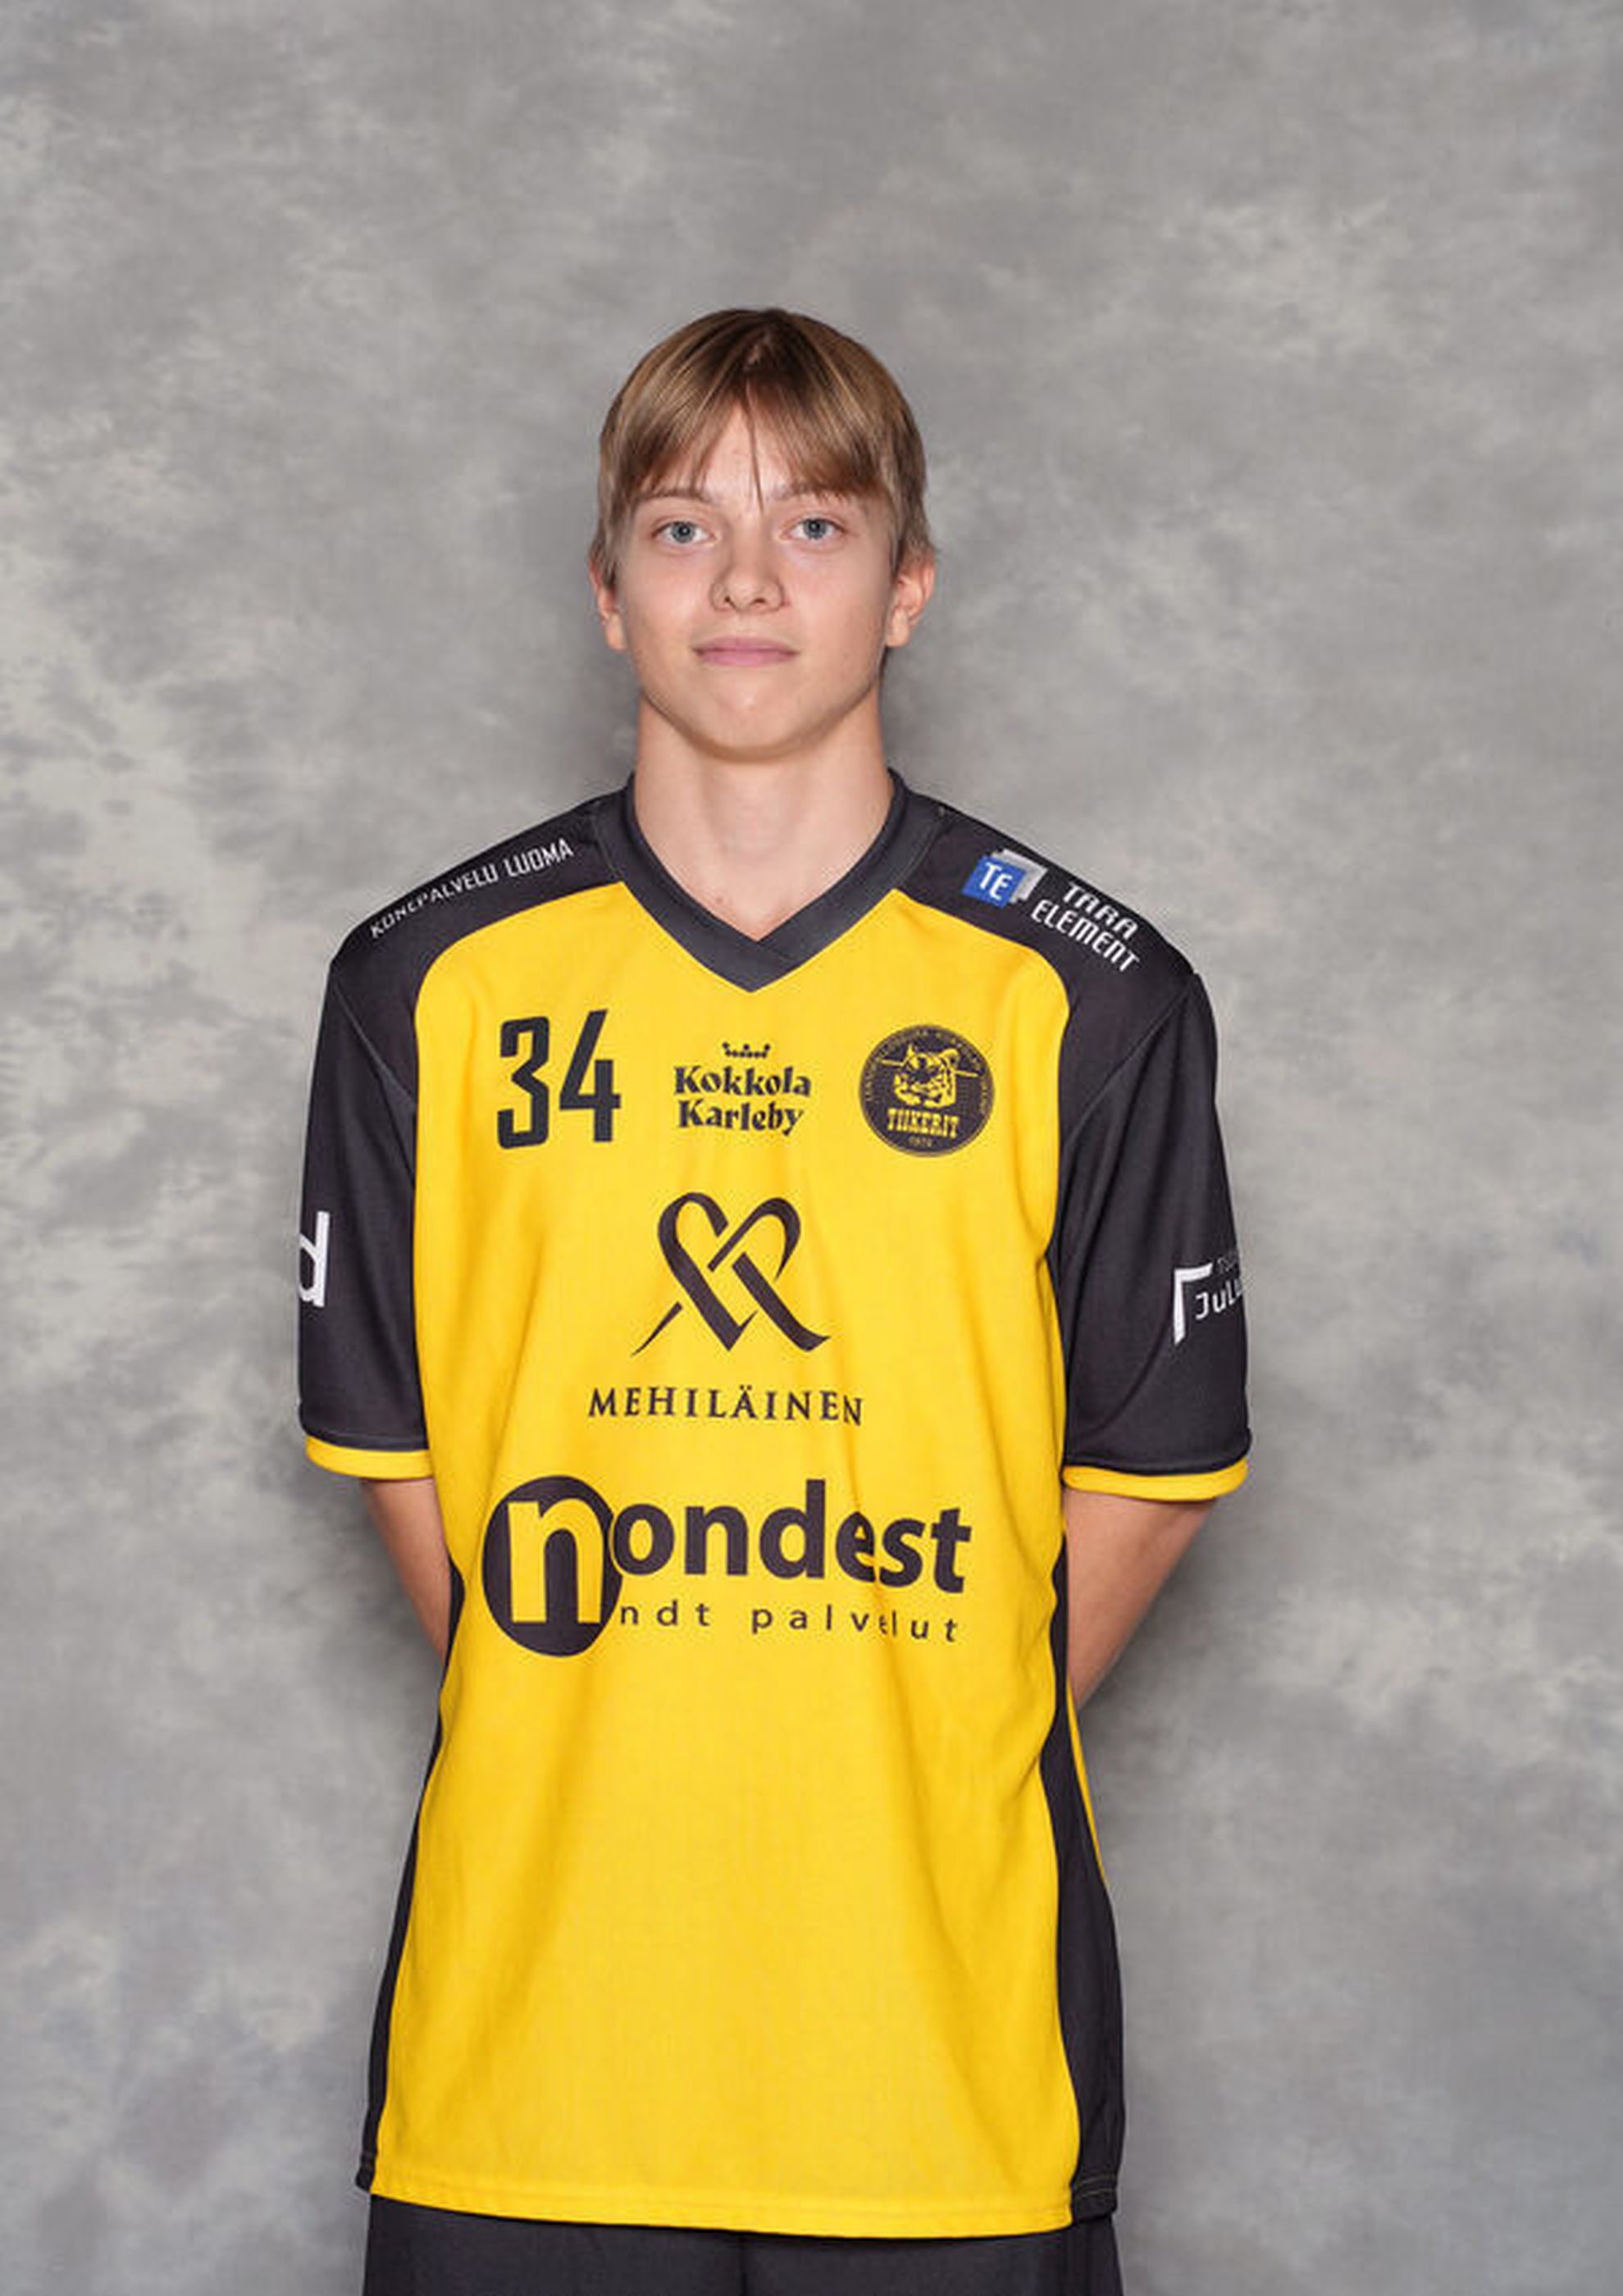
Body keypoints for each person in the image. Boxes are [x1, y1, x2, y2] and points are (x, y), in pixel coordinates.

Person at [297, 308, 1249, 2296]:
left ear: (908, 587)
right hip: (529, 2062)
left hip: (940, 2069)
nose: (744, 581)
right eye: (682, 525)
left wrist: (895, 1721)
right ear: (606, 588)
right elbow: (404, 1464)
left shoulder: (1092, 993)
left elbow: (1149, 1478)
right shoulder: (422, 982)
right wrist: (632, 1710)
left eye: (813, 526)